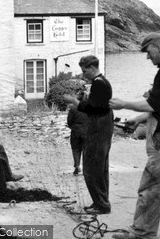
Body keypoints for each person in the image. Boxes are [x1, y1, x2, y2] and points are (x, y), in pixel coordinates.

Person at [109, 33, 160, 239]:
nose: (147, 57)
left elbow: (153, 104)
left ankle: (142, 232)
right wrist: (139, 119)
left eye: (147, 51)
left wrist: (123, 103)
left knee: (151, 185)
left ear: (156, 47)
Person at [64, 55, 113, 215]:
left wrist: (75, 102)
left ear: (92, 68)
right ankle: (101, 202)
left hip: (98, 131)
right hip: (104, 129)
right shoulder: (103, 82)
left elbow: (92, 109)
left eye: (85, 71)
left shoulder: (99, 84)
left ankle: (101, 204)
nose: (84, 75)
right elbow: (99, 107)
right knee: (101, 167)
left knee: (92, 169)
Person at [67, 90, 88, 175]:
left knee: (75, 149)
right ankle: (86, 168)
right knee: (86, 150)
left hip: (76, 131)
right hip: (87, 132)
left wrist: (72, 127)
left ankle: (77, 166)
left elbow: (69, 121)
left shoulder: (73, 107)